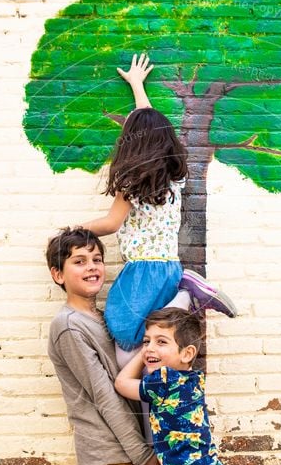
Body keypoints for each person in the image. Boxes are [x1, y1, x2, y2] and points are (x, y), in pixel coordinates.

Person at [79, 53, 236, 369]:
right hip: (169, 269)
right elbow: (148, 125)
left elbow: (111, 223)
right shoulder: (173, 179)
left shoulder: (131, 182)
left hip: (141, 272)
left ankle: (184, 297)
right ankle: (184, 292)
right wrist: (138, 86)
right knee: (155, 335)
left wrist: (75, 230)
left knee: (123, 332)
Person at [46, 227, 172, 465]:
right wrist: (142, 457)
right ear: (58, 275)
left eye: (97, 259)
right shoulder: (68, 326)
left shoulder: (109, 319)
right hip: (112, 457)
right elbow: (103, 394)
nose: (92, 267)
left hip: (138, 449)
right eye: (79, 261)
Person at [114, 307, 237, 465]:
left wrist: (141, 353)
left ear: (187, 353)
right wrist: (152, 349)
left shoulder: (164, 381)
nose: (150, 348)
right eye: (146, 341)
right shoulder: (193, 380)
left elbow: (121, 383)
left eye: (161, 342)